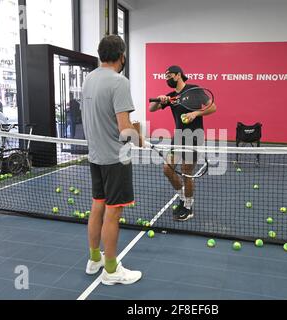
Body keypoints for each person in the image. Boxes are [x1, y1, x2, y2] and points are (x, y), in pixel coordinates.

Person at [81, 35, 142, 285]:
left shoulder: (89, 79)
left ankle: (95, 258)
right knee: (113, 214)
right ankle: (111, 269)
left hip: (95, 156)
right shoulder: (119, 82)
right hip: (115, 159)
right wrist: (139, 138)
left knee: (97, 206)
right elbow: (124, 129)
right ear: (121, 55)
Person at [149, 66, 217, 221]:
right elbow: (151, 109)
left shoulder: (194, 90)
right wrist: (160, 99)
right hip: (178, 137)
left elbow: (213, 107)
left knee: (186, 172)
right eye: (164, 76)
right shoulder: (171, 97)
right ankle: (182, 197)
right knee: (167, 169)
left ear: (178, 75)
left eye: (169, 75)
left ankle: (188, 205)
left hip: (194, 137)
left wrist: (196, 113)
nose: (167, 79)